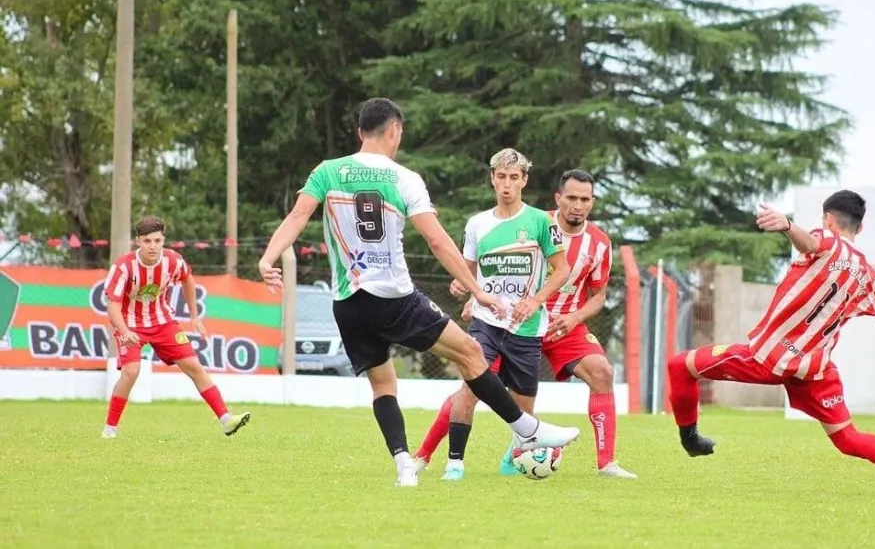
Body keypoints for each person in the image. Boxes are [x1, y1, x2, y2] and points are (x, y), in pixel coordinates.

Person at [257, 98, 580, 487]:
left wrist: (268, 258)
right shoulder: (404, 179)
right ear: (395, 131)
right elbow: (437, 241)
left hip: (347, 304)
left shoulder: (326, 172)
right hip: (395, 299)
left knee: (383, 384)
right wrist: (479, 291)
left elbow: (296, 217)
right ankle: (528, 429)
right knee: (471, 352)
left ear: (360, 132)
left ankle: (403, 463)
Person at [666, 190, 875, 499]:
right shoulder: (867, 275)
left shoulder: (826, 239)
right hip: (815, 370)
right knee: (848, 438)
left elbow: (810, 243)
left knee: (680, 366)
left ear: (827, 219)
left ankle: (691, 439)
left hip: (768, 358)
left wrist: (787, 225)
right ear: (860, 229)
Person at [414, 169, 637, 479]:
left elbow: (598, 296)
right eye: (571, 198)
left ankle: (606, 464)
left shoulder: (599, 243)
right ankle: (422, 455)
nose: (577, 205)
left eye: (584, 199)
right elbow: (497, 264)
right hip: (514, 322)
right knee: (470, 389)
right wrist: (476, 299)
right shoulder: (532, 221)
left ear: (592, 203)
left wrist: (574, 317)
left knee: (602, 372)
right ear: (558, 199)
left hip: (563, 326)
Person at [408, 149, 572, 482]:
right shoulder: (477, 224)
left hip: (525, 327)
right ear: (492, 179)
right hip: (486, 322)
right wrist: (461, 286)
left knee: (523, 406)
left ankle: (515, 460)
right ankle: (455, 463)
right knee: (470, 387)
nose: (507, 185)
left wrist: (536, 300)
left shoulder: (542, 221)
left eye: (514, 177)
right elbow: (466, 270)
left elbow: (562, 269)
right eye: (501, 177)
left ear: (524, 180)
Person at [102, 216, 251, 439]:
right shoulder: (123, 267)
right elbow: (112, 307)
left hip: (163, 323)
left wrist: (194, 316)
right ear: (138, 242)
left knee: (194, 366)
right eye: (147, 241)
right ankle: (109, 430)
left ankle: (226, 420)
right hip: (131, 325)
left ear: (163, 240)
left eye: (157, 241)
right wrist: (124, 332)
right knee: (131, 372)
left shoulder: (173, 261)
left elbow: (188, 280)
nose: (152, 246)